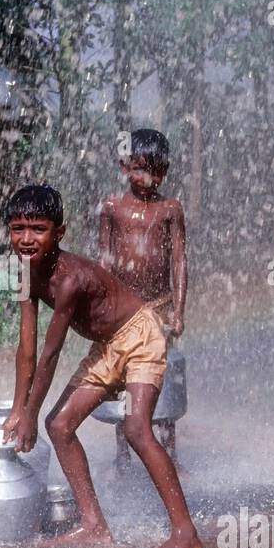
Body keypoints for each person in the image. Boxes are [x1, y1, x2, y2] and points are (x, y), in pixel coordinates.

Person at [1, 184, 203, 548]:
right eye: (18, 229)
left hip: (142, 334)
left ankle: (185, 535)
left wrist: (29, 415)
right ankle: (94, 526)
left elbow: (50, 353)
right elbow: (27, 348)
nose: (26, 239)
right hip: (107, 346)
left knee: (137, 428)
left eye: (38, 229)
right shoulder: (24, 275)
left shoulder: (70, 278)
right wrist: (17, 409)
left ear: (59, 233)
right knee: (59, 426)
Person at [99, 129, 187, 465]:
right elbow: (104, 260)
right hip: (123, 308)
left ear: (164, 171)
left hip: (159, 307)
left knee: (160, 378)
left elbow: (179, 261)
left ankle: (170, 455)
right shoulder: (112, 207)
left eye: (154, 171)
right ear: (125, 166)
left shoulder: (170, 209)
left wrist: (178, 311)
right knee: (123, 377)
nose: (145, 179)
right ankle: (123, 454)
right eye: (137, 169)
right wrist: (102, 308)